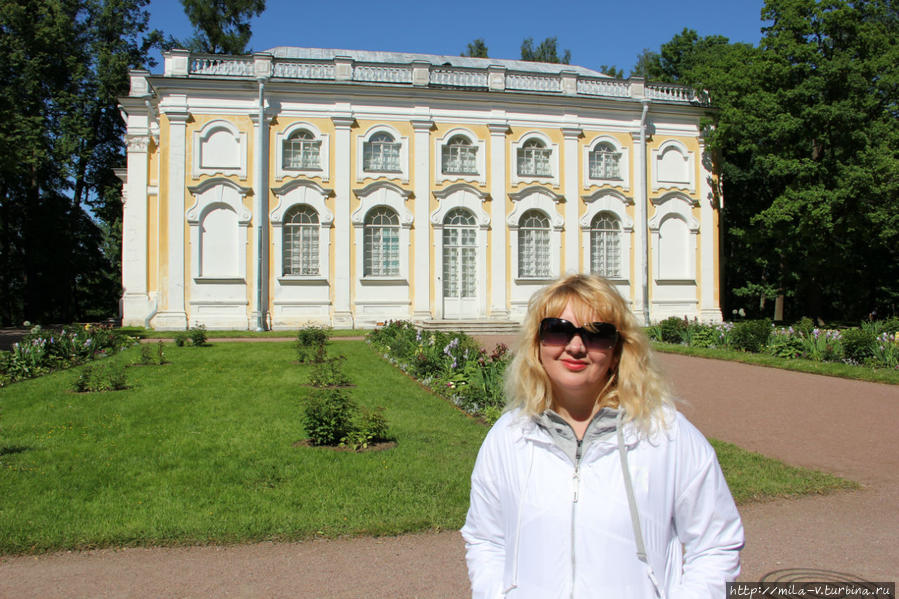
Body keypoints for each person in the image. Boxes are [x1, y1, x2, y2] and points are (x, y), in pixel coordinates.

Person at [461, 274, 743, 598]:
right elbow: (486, 538)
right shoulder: (508, 437)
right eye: (558, 329)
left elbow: (716, 545)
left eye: (597, 335)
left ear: (617, 351)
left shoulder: (666, 435)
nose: (576, 346)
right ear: (537, 343)